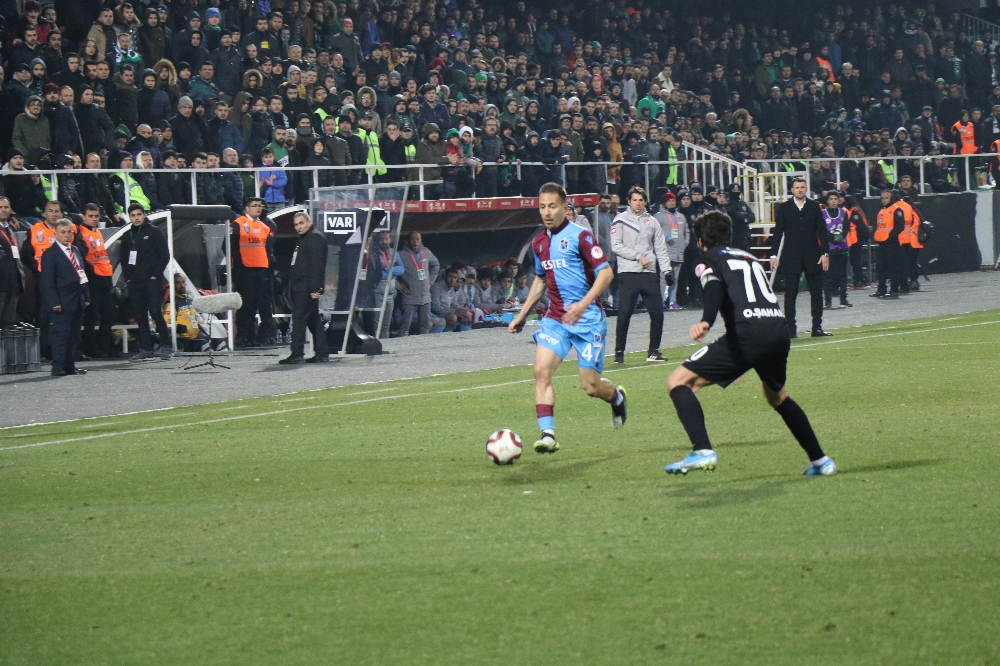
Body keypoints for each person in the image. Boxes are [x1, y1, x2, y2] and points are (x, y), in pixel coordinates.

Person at [663, 211, 837, 477]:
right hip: (777, 329)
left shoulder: (708, 259)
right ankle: (821, 461)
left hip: (748, 334)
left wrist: (706, 321)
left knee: (678, 381)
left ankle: (702, 450)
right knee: (777, 396)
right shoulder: (748, 257)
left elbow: (713, 288)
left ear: (700, 241)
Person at [508, 182, 628, 454]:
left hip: (588, 320)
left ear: (564, 207)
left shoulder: (581, 237)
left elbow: (606, 273)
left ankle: (617, 398)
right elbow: (541, 279)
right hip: (556, 320)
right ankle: (548, 434)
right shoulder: (539, 242)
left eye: (552, 206)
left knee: (591, 386)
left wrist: (583, 305)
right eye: (542, 207)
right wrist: (522, 315)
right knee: (541, 372)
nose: (546, 212)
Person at [611, 185, 671, 364]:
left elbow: (660, 248)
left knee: (657, 313)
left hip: (649, 272)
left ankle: (653, 351)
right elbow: (616, 246)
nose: (637, 203)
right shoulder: (620, 220)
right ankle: (619, 352)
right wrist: (637, 256)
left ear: (645, 202)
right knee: (624, 313)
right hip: (628, 272)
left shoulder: (652, 221)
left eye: (640, 200)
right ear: (629, 202)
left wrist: (667, 270)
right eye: (634, 200)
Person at [769, 178, 831, 338]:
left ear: (806, 189)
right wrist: (773, 254)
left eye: (802, 187)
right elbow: (778, 232)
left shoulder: (814, 206)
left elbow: (822, 231)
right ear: (792, 190)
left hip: (813, 255)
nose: (800, 190)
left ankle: (817, 327)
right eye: (797, 187)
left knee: (816, 293)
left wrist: (825, 253)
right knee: (790, 294)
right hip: (791, 256)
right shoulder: (784, 208)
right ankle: (791, 329)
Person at [119, 203, 171, 359]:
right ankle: (145, 348)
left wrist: (155, 274)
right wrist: (128, 277)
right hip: (134, 282)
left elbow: (164, 255)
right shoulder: (127, 235)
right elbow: (123, 258)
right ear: (129, 217)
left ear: (144, 214)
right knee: (140, 316)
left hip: (151, 281)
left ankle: (166, 345)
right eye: (133, 215)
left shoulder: (154, 232)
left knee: (155, 312)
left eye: (139, 214)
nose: (136, 218)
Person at [41, 219, 90, 376]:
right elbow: (48, 281)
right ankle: (57, 366)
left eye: (69, 232)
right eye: (63, 232)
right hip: (62, 299)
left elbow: (81, 274)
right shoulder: (50, 254)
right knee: (61, 334)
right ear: (55, 233)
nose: (67, 235)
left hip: (78, 298)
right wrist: (54, 301)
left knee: (74, 334)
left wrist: (86, 296)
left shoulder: (75, 250)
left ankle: (70, 366)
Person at [281, 211, 329, 364]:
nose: (298, 227)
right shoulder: (306, 238)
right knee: (313, 320)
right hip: (303, 286)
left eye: (301, 223)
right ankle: (322, 352)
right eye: (296, 224)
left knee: (299, 319)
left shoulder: (314, 238)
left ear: (309, 222)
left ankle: (297, 353)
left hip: (307, 287)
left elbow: (316, 266)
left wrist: (315, 288)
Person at [231, 198, 276, 347]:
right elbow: (228, 246)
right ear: (246, 208)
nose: (258, 208)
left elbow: (267, 249)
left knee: (256, 303)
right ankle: (243, 335)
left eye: (260, 206)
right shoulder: (238, 224)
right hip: (243, 269)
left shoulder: (265, 227)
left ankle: (252, 336)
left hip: (261, 268)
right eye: (254, 206)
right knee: (245, 304)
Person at [78, 203, 116, 357]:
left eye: (96, 216)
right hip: (93, 279)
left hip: (104, 277)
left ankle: (104, 346)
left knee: (109, 315)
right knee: (92, 316)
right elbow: (81, 256)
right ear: (83, 217)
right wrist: (90, 272)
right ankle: (91, 347)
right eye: (90, 216)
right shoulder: (80, 232)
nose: (94, 219)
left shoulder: (96, 231)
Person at [394, 231, 440, 336]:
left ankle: (423, 345)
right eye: (412, 239)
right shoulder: (400, 254)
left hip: (425, 297)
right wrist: (397, 285)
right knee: (405, 326)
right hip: (409, 297)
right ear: (407, 241)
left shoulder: (426, 252)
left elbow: (436, 264)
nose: (415, 242)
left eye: (417, 239)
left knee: (425, 326)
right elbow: (390, 270)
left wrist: (431, 281)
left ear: (421, 240)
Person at [871, 189, 908, 298]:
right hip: (882, 243)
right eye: (882, 198)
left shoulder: (896, 210)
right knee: (880, 267)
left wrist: (889, 236)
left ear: (891, 198)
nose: (884, 200)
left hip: (892, 243)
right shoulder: (881, 210)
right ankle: (881, 289)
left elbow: (900, 226)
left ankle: (894, 289)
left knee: (893, 267)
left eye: (886, 198)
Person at [655, 191, 686, 309]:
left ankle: (672, 301)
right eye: (669, 201)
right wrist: (665, 238)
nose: (672, 203)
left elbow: (686, 232)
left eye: (673, 201)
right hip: (665, 252)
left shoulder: (681, 216)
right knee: (664, 278)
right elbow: (654, 232)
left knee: (675, 278)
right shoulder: (658, 216)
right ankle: (661, 300)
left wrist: (684, 243)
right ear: (664, 203)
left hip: (678, 252)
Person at [821, 191, 851, 309]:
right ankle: (828, 301)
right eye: (831, 199)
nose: (833, 201)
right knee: (828, 276)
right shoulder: (823, 213)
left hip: (842, 247)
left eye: (835, 199)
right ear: (827, 201)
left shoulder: (843, 212)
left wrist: (841, 236)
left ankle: (844, 299)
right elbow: (822, 229)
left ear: (838, 200)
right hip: (829, 248)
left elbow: (846, 227)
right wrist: (832, 238)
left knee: (842, 275)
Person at [725, 183, 756, 251]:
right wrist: (746, 216)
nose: (736, 192)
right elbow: (736, 216)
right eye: (734, 190)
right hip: (735, 237)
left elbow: (752, 217)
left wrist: (744, 219)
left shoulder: (742, 203)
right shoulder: (728, 204)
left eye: (737, 190)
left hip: (745, 237)